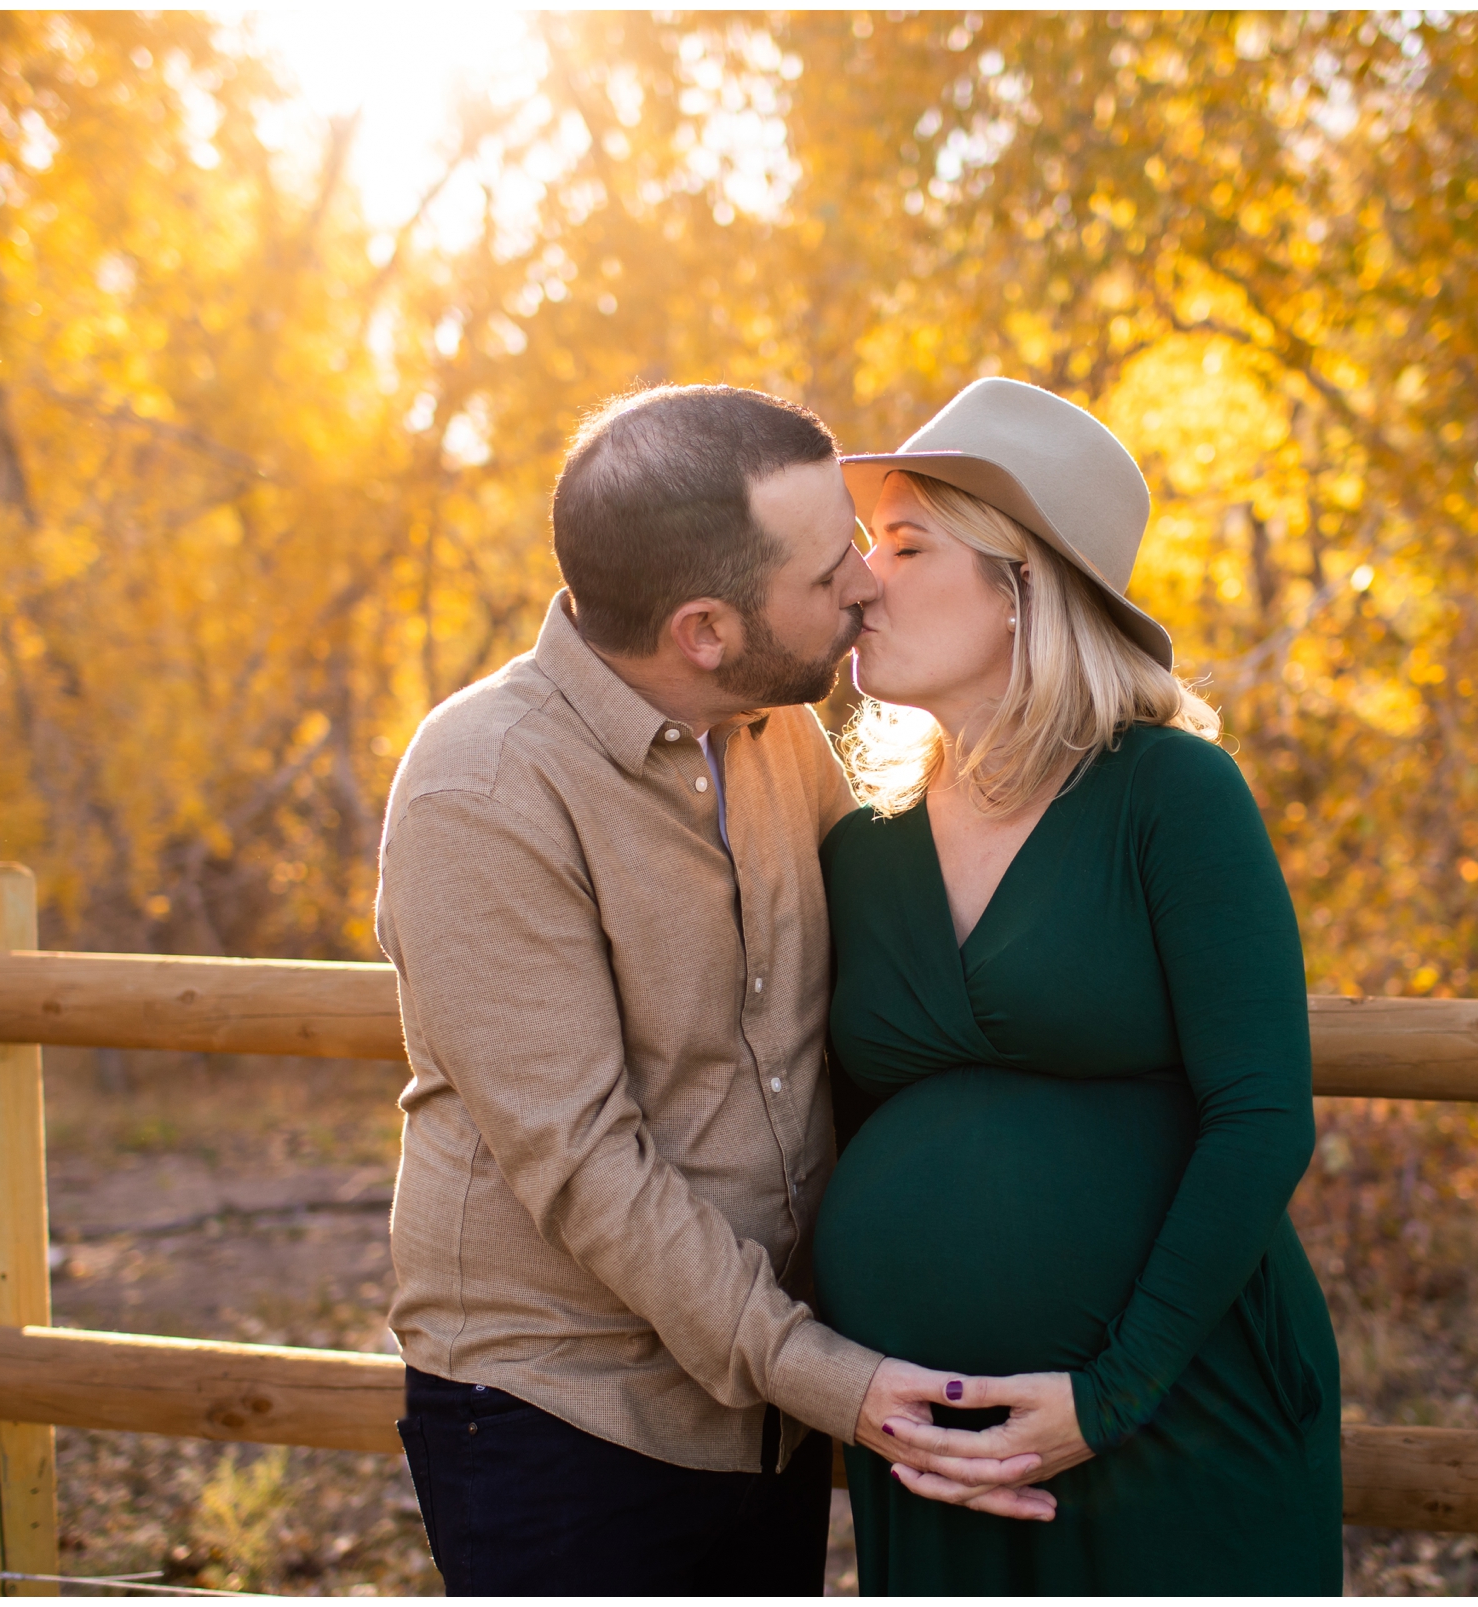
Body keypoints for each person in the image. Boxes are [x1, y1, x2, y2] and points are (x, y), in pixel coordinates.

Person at [374, 384, 1053, 1596]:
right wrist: (829, 1375)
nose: (864, 579)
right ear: (704, 628)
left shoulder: (769, 727)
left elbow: (901, 962)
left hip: (757, 1398)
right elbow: (586, 1161)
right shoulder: (481, 789)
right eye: (826, 567)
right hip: (561, 1410)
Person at [811, 376, 1343, 1593]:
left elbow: (1260, 1113)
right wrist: (853, 1381)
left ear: (1022, 588)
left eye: (904, 543)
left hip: (1176, 1411)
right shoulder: (859, 847)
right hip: (934, 1442)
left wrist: (1110, 1394)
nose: (861, 580)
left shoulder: (1169, 795)